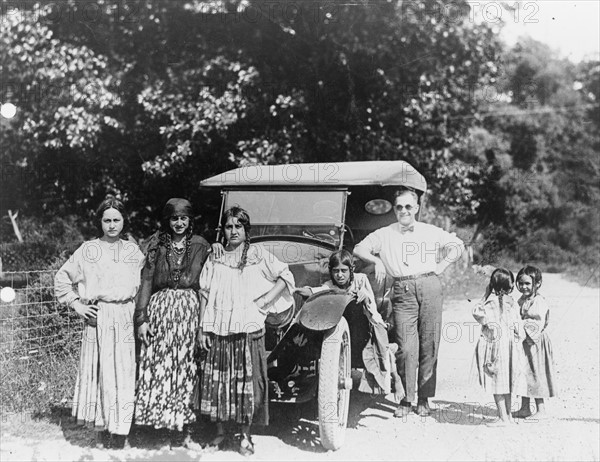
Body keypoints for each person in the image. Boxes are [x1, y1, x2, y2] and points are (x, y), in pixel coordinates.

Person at [353, 188, 464, 417]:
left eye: (408, 206)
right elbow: (358, 248)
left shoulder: (430, 231)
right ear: (394, 209)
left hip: (430, 285)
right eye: (399, 207)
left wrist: (441, 267)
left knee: (429, 342)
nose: (403, 210)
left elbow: (457, 245)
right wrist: (376, 261)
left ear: (416, 209)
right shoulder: (384, 233)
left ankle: (423, 398)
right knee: (405, 346)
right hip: (402, 290)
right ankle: (405, 398)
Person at [196, 206, 295, 456]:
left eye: (238, 226)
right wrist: (202, 329)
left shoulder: (258, 255)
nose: (233, 231)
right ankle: (220, 433)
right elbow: (205, 293)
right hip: (219, 329)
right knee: (219, 383)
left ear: (245, 229)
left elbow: (285, 276)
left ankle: (245, 436)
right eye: (229, 227)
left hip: (248, 328)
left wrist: (264, 302)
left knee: (248, 384)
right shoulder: (215, 257)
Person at [54, 195, 145, 449]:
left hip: (125, 315)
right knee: (100, 371)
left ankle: (120, 430)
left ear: (124, 221)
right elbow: (62, 277)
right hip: (99, 315)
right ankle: (102, 427)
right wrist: (77, 304)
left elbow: (144, 283)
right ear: (100, 222)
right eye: (107, 220)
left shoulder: (132, 251)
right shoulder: (88, 249)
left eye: (117, 220)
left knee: (124, 371)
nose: (112, 225)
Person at [133, 198, 211, 447]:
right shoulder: (156, 245)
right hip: (161, 312)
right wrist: (142, 318)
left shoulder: (201, 245)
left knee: (186, 369)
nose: (179, 223)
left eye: (183, 218)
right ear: (168, 220)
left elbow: (209, 281)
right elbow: (146, 281)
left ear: (190, 220)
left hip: (189, 313)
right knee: (161, 369)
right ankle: (160, 429)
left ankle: (183, 431)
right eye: (174, 218)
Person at [295, 249, 404, 400]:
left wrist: (364, 296)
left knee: (382, 346)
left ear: (351, 270)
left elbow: (371, 307)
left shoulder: (360, 280)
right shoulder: (330, 285)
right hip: (344, 327)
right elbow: (319, 290)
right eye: (336, 271)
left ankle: (396, 378)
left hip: (365, 324)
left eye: (344, 271)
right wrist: (307, 290)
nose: (340, 275)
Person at [472, 268, 524, 426]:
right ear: (511, 286)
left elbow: (477, 313)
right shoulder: (513, 303)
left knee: (496, 381)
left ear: (492, 285)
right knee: (507, 382)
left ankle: (503, 418)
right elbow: (520, 330)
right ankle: (508, 416)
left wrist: (485, 295)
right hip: (511, 348)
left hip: (495, 348)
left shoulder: (490, 303)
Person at [513, 265, 557, 419]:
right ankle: (525, 408)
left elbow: (535, 324)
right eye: (521, 283)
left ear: (537, 284)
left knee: (535, 373)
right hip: (524, 342)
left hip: (534, 342)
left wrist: (520, 325)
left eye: (527, 284)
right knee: (524, 374)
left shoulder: (538, 302)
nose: (524, 287)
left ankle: (541, 409)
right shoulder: (522, 300)